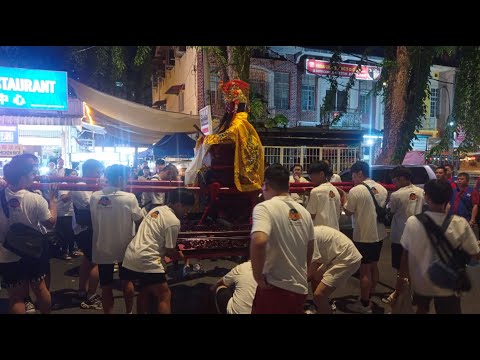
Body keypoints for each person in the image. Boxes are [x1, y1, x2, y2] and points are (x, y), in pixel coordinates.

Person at [395, 179, 480, 314]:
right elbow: (475, 254)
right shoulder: (460, 223)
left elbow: (405, 254)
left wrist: (401, 279)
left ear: (427, 197)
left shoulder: (413, 222)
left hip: (421, 280)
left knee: (421, 309)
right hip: (449, 283)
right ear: (448, 197)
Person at [250, 164, 314, 314]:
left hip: (276, 287)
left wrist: (257, 276)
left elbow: (259, 241)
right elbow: (310, 247)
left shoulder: (264, 207)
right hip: (300, 287)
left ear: (265, 185)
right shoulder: (303, 212)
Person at [0, 154, 58, 314]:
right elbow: (50, 223)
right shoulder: (35, 198)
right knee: (40, 289)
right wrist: (53, 202)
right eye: (32, 173)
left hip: (6, 252)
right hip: (32, 251)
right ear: (23, 176)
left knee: (16, 297)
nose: (35, 176)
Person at [121, 189, 194, 314]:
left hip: (131, 254)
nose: (187, 212)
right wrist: (181, 256)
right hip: (147, 259)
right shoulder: (174, 221)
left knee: (144, 291)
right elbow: (170, 251)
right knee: (164, 294)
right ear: (178, 204)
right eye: (186, 208)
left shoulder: (156, 210)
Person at [186, 79, 264, 192]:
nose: (228, 108)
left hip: (228, 172)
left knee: (203, 175)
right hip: (221, 170)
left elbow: (229, 136)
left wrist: (210, 139)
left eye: (230, 105)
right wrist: (206, 139)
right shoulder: (230, 122)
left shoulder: (239, 122)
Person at [90, 164, 144, 314]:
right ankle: (129, 312)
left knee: (106, 285)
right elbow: (140, 220)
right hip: (124, 247)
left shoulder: (95, 196)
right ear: (120, 178)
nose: (129, 180)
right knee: (127, 281)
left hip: (102, 246)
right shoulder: (129, 198)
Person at [344, 161, 388, 314]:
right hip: (380, 233)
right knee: (374, 266)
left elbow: (348, 212)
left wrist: (344, 198)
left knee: (364, 271)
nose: (353, 179)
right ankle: (369, 295)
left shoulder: (356, 190)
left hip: (364, 235)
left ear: (359, 173)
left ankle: (363, 304)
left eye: (353, 176)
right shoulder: (382, 188)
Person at [381, 166, 425, 305]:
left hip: (400, 235)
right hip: (418, 235)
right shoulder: (421, 192)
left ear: (401, 178)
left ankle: (397, 293)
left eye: (395, 180)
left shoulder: (396, 195)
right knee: (414, 266)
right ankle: (413, 293)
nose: (394, 183)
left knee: (400, 268)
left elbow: (390, 210)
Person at [68, 159, 104, 310]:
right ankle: (91, 296)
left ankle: (82, 291)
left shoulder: (88, 185)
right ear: (90, 170)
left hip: (86, 228)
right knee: (97, 262)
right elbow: (92, 205)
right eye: (98, 171)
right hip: (85, 229)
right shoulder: (82, 186)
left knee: (88, 261)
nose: (99, 174)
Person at [308, 226, 362, 314]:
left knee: (319, 295)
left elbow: (311, 269)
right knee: (315, 279)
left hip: (346, 258)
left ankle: (323, 304)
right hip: (334, 256)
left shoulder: (308, 238)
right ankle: (322, 306)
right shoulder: (308, 233)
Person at [306, 161, 341, 230]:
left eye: (312, 175)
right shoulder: (334, 189)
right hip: (335, 230)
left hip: (321, 232)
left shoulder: (316, 191)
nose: (311, 178)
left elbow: (311, 214)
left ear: (321, 174)